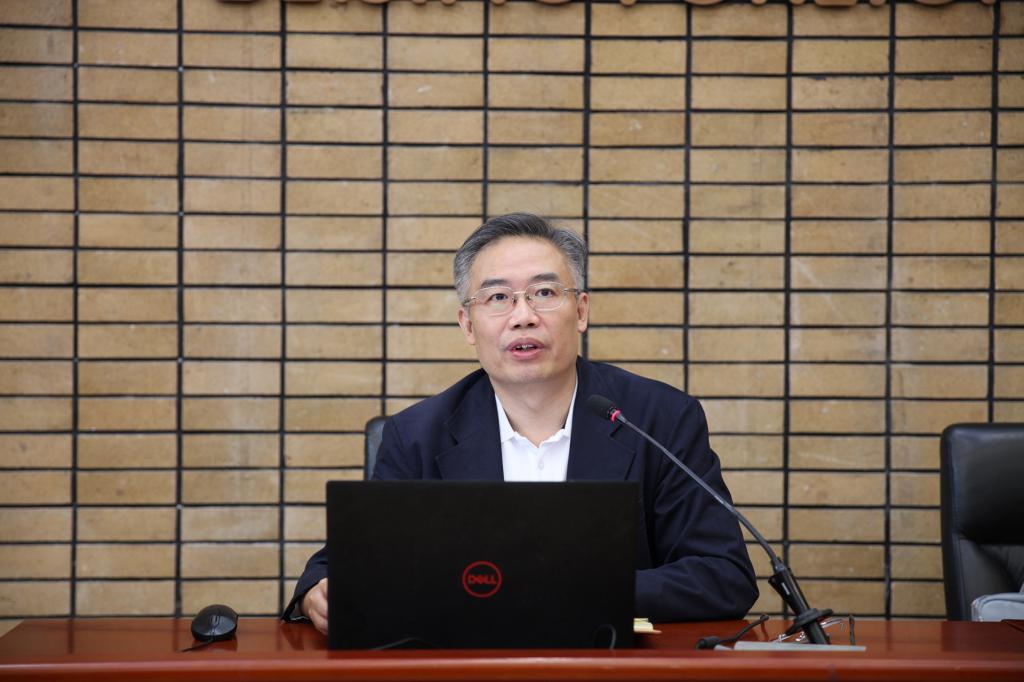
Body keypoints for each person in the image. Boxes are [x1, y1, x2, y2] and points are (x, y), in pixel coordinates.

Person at [283, 213, 758, 634]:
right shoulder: (417, 435)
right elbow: (336, 568)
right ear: (468, 325)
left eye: (545, 293)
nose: (523, 317)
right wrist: (315, 594)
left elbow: (723, 575)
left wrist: (569, 591)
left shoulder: (658, 419)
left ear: (582, 311)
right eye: (498, 298)